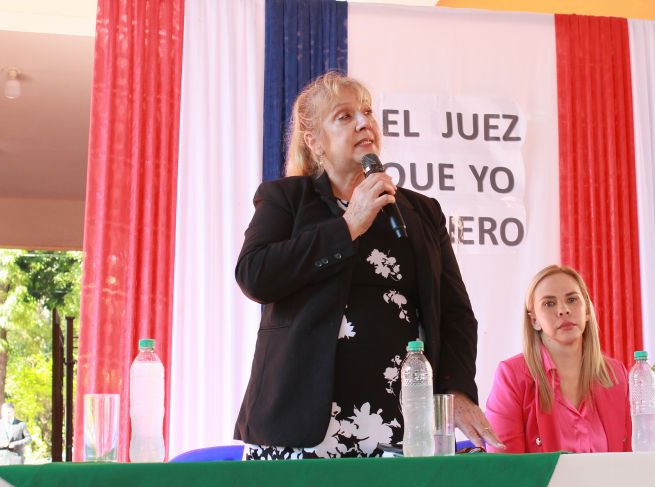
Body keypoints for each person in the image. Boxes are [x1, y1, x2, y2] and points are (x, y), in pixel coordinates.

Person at [233, 72, 500, 458]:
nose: (363, 122)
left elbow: (455, 314)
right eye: (344, 116)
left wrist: (454, 389)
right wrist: (347, 227)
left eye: (367, 112)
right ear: (314, 141)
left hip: (399, 421)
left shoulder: (421, 211)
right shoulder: (286, 199)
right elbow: (254, 274)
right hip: (301, 424)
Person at [485, 265, 631, 453]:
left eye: (572, 300)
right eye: (549, 303)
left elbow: (631, 458)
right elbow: (505, 466)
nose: (563, 310)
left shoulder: (616, 374)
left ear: (587, 311)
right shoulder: (511, 375)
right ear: (534, 320)